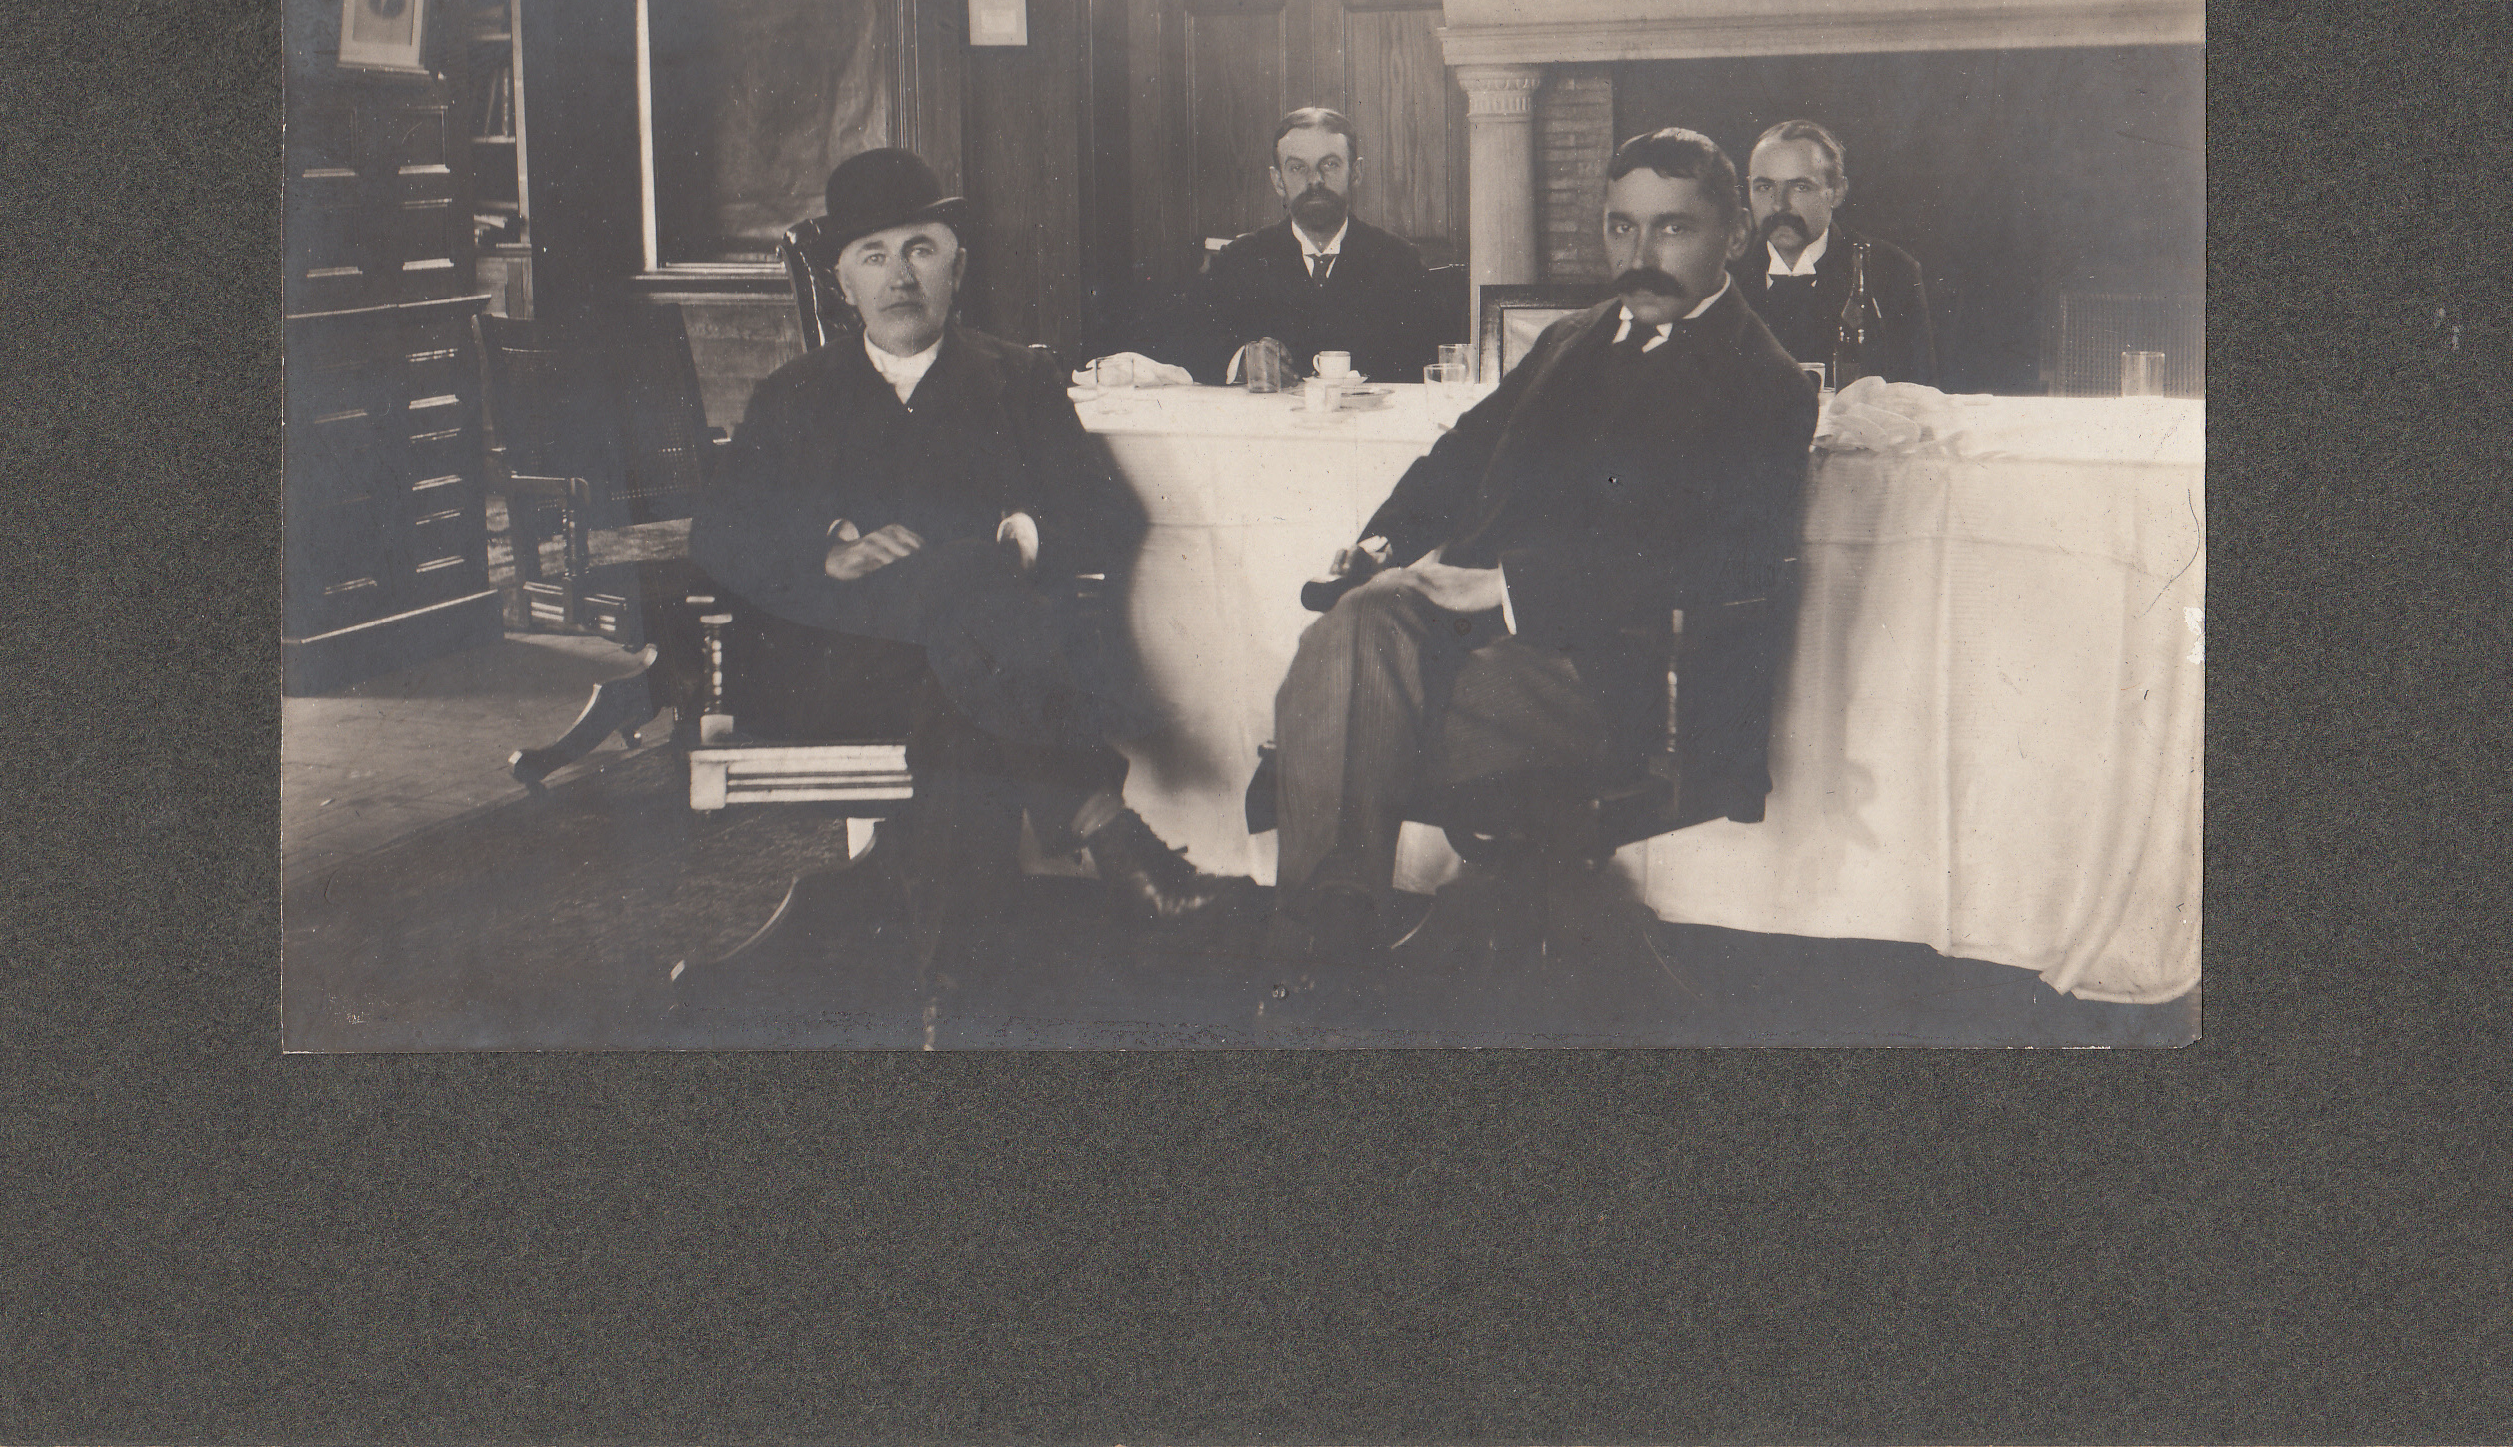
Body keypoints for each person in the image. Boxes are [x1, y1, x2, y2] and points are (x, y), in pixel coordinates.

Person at [1265, 129, 1819, 961]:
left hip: (1621, 677)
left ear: (1733, 236)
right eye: (1620, 227)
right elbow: (1461, 454)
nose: (1641, 253)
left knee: (1336, 696)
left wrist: (1506, 587)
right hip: (1492, 649)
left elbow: (1722, 561)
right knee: (1359, 620)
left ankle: (1318, 956)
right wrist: (1377, 549)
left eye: (1672, 228)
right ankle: (1332, 940)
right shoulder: (1575, 336)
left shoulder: (1765, 381)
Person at [690, 147, 1232, 924]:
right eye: (873, 257)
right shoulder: (795, 395)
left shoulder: (1019, 379)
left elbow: (1106, 515)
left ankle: (951, 1002)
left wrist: (1021, 539)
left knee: (957, 697)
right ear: (843, 283)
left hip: (973, 680)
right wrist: (827, 552)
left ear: (958, 265)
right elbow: (719, 535)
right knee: (961, 584)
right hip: (845, 670)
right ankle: (1106, 830)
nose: (900, 276)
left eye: (920, 249)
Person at [1184, 107, 1441, 385]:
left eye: (1329, 164)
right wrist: (1243, 363)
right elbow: (1186, 342)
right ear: (1278, 181)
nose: (1315, 180)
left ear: (1355, 173)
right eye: (1297, 167)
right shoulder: (1239, 261)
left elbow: (1430, 363)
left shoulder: (1400, 262)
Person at [1735, 120, 1936, 386]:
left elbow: (1917, 397)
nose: (1778, 204)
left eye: (1800, 187)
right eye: (1764, 187)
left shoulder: (1891, 272)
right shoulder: (1720, 271)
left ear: (1837, 192)